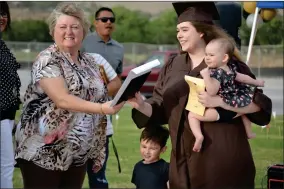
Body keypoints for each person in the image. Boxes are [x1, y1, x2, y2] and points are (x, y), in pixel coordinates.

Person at [128, 2, 272, 189]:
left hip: (220, 159)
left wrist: (221, 102)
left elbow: (259, 105)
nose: (179, 35)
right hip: (182, 161)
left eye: (185, 29)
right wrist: (142, 105)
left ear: (201, 31)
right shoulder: (173, 65)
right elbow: (161, 106)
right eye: (178, 30)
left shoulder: (227, 64)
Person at [14, 2, 125, 188]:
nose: (69, 32)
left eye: (75, 27)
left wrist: (126, 95)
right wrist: (101, 108)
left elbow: (101, 92)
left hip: (77, 150)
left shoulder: (89, 62)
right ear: (52, 31)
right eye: (62, 27)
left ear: (84, 32)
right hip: (43, 150)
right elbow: (62, 99)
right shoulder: (47, 59)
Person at [188, 38, 265, 152]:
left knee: (192, 115)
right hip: (236, 103)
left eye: (211, 55)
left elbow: (212, 91)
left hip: (222, 110)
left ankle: (199, 136)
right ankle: (249, 132)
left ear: (224, 58)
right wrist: (256, 82)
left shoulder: (216, 73)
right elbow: (243, 78)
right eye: (206, 54)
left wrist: (206, 76)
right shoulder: (231, 68)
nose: (207, 58)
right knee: (244, 112)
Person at [81, 6, 124, 189]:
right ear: (95, 22)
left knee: (99, 171)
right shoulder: (83, 43)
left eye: (111, 20)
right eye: (104, 19)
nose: (108, 23)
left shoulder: (119, 48)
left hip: (105, 112)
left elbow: (118, 80)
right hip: (81, 110)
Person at [0, 2, 21, 188]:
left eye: (4, 13)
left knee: (6, 166)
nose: (2, 17)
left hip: (6, 117)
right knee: (5, 167)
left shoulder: (2, 46)